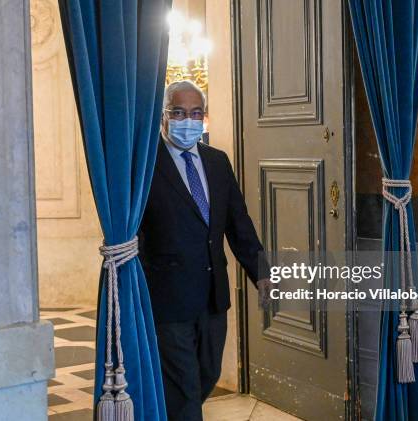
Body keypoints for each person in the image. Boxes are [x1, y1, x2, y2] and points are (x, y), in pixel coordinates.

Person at [138, 80, 271, 421]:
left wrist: (264, 275)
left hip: (212, 297)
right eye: (179, 113)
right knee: (183, 387)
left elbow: (238, 224)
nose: (188, 120)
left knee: (206, 375)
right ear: (164, 116)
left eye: (196, 113)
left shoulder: (216, 161)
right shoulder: (144, 165)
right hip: (167, 298)